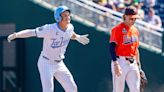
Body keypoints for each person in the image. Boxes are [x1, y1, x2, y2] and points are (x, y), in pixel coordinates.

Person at [7, 5, 90, 92]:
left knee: (72, 88)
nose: (68, 17)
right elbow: (32, 32)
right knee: (48, 90)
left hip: (59, 63)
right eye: (65, 15)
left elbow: (70, 34)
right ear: (58, 17)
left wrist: (78, 37)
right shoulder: (49, 28)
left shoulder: (70, 27)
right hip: (46, 63)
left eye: (68, 15)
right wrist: (17, 35)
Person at [109, 6, 143, 92]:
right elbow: (111, 47)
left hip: (132, 63)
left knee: (136, 89)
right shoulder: (117, 29)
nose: (133, 20)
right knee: (118, 90)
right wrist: (116, 64)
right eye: (131, 18)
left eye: (135, 18)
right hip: (120, 62)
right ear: (125, 17)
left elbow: (136, 49)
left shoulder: (135, 30)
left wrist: (139, 67)